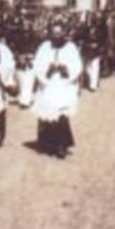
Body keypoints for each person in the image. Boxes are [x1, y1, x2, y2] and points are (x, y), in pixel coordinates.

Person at [31, 22, 82, 158]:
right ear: (50, 34)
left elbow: (77, 66)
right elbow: (37, 65)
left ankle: (62, 145)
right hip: (48, 85)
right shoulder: (44, 47)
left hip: (64, 85)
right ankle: (47, 143)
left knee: (61, 114)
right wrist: (48, 69)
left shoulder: (71, 48)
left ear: (64, 33)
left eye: (59, 33)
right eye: (54, 33)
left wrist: (64, 68)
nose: (57, 36)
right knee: (47, 112)